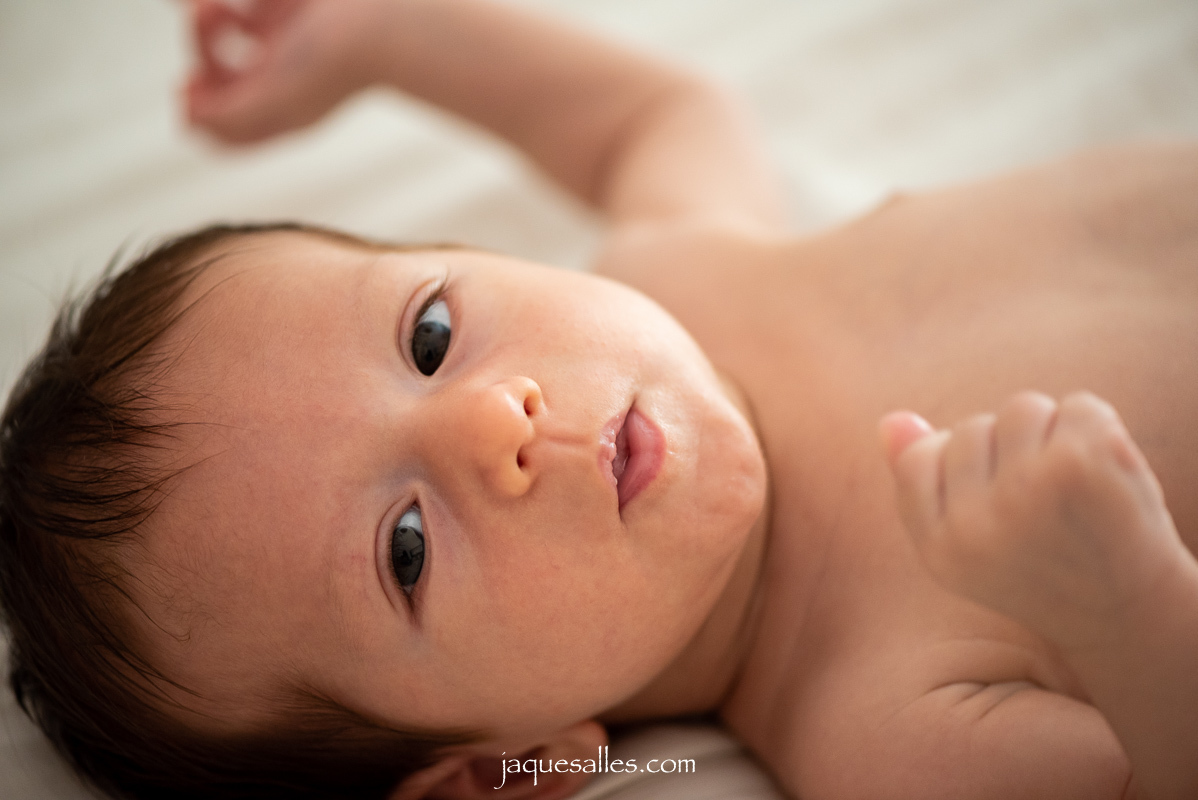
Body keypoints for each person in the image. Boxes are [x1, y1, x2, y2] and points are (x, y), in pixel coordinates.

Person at [1, 0, 1196, 798]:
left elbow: (649, 118)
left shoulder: (674, 276)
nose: (494, 422)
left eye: (428, 334)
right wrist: (1121, 599)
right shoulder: (876, 719)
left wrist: (381, 37)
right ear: (499, 768)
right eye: (406, 549)